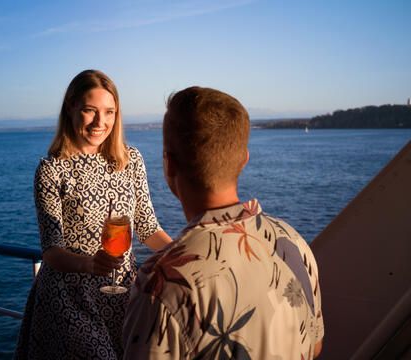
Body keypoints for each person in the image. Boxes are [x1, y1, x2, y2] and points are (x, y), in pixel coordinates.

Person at [123, 86, 324, 359]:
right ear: (244, 161)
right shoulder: (293, 242)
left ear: (169, 165)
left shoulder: (161, 283)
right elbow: (314, 345)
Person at [14, 70, 172, 360]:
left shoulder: (131, 159)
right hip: (69, 295)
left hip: (121, 292)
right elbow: (51, 251)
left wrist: (185, 255)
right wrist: (90, 264)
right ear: (71, 107)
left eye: (109, 112)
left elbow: (147, 227)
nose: (101, 122)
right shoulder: (51, 169)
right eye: (90, 110)